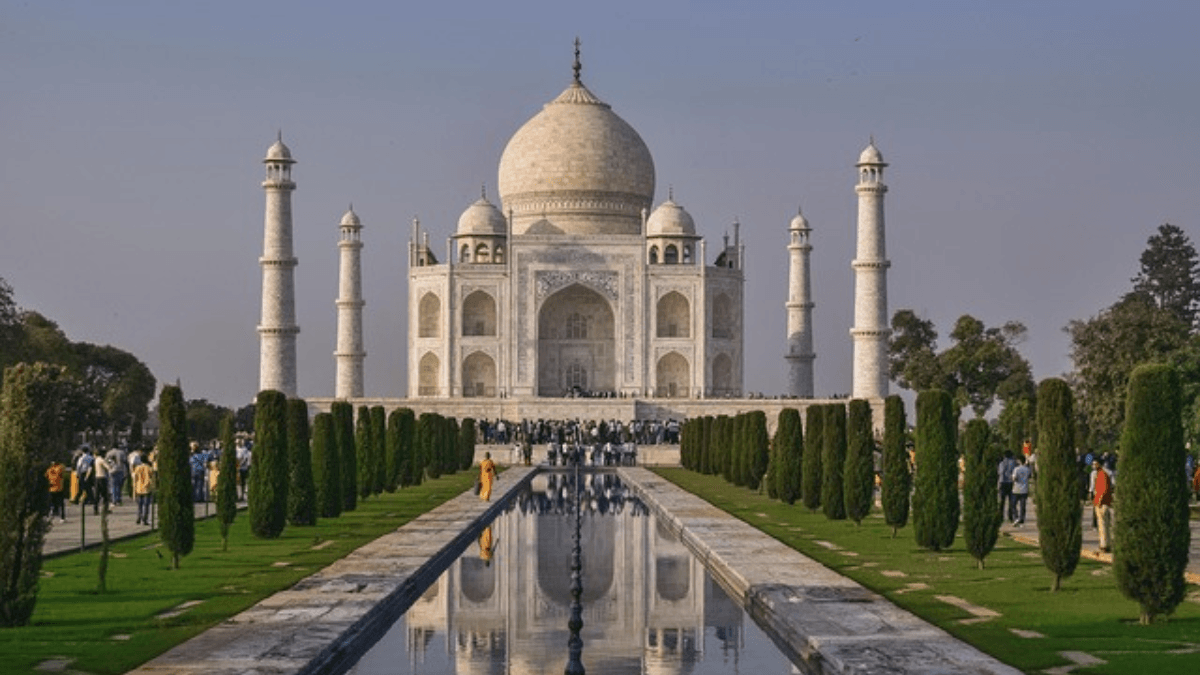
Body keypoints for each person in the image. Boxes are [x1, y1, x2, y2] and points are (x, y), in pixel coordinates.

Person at [1093, 457, 1114, 552]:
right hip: (1102, 502)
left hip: (1102, 503)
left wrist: (1099, 502)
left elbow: (1104, 490)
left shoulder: (1103, 475)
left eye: (1095, 464)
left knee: (1102, 525)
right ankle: (1106, 543)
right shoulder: (1100, 474)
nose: (1093, 466)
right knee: (1103, 525)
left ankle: (1104, 545)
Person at [132, 450, 155, 526]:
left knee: (140, 505)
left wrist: (134, 489)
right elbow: (152, 478)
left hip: (139, 488)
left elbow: (135, 478)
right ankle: (145, 519)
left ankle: (139, 517)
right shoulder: (149, 468)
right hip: (147, 488)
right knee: (146, 505)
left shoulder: (137, 468)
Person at [997, 450, 1017, 522]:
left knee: (1002, 501)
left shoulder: (1002, 463)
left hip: (1003, 482)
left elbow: (1000, 472)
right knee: (1011, 500)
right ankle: (1010, 516)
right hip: (1011, 483)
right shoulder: (1014, 462)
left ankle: (1000, 516)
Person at [1011, 456, 1031, 525]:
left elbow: (1014, 478)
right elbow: (1029, 476)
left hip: (1016, 489)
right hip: (1024, 489)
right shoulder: (1027, 469)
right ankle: (1022, 518)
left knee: (1013, 505)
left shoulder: (1016, 469)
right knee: (1023, 505)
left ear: (1019, 461)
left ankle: (1016, 517)